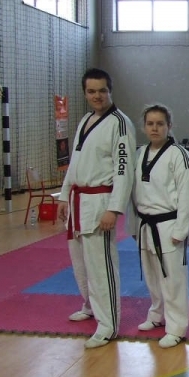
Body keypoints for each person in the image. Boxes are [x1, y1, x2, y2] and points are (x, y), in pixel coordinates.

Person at [58, 68, 136, 348]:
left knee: (101, 266)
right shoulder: (85, 120)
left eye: (102, 90)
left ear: (110, 91)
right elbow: (75, 162)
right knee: (80, 262)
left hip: (100, 202)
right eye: (91, 91)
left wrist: (114, 208)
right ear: (85, 93)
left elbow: (124, 169)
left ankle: (109, 325)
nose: (97, 96)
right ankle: (90, 304)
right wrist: (64, 195)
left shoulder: (120, 123)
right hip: (78, 201)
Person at [128, 104, 189, 348]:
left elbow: (188, 194)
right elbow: (133, 193)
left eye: (160, 124)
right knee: (152, 275)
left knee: (173, 278)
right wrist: (133, 226)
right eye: (150, 124)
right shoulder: (140, 153)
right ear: (143, 126)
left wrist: (181, 229)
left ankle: (177, 327)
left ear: (169, 126)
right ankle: (157, 314)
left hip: (169, 224)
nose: (154, 128)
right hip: (145, 223)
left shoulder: (179, 154)